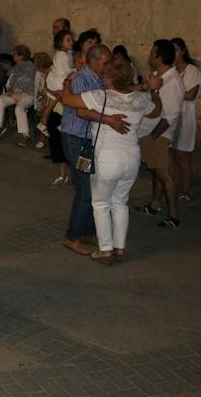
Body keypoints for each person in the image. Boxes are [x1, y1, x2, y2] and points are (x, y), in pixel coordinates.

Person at [59, 58, 162, 264]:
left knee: (100, 203)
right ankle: (119, 248)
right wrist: (154, 90)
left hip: (107, 159)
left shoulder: (101, 97)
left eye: (105, 75)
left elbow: (68, 100)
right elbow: (157, 110)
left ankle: (105, 250)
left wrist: (67, 83)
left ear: (109, 78)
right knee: (120, 203)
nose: (102, 78)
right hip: (131, 159)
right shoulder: (140, 99)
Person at [60, 45, 131, 256]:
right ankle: (73, 237)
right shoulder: (82, 79)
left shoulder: (98, 79)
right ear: (94, 60)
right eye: (106, 61)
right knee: (85, 188)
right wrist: (108, 119)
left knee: (92, 186)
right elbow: (82, 112)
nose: (108, 66)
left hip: (88, 141)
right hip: (78, 140)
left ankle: (87, 230)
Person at [133, 39, 186, 228]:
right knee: (156, 171)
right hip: (150, 132)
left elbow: (169, 116)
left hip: (158, 135)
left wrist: (153, 137)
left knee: (165, 174)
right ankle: (155, 204)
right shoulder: (158, 75)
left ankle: (174, 216)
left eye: (152, 51)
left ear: (159, 56)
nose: (149, 55)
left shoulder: (172, 82)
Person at [171, 37, 201, 202]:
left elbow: (190, 95)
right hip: (171, 117)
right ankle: (172, 187)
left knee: (182, 155)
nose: (174, 54)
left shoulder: (191, 71)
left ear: (183, 51)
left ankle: (186, 189)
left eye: (176, 50)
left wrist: (171, 92)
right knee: (171, 155)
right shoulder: (170, 70)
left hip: (185, 118)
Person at [36, 29, 75, 140]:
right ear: (60, 43)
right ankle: (62, 125)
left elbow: (56, 67)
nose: (71, 42)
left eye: (71, 40)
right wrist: (76, 71)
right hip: (60, 83)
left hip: (53, 81)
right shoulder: (64, 56)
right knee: (68, 106)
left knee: (49, 107)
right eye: (68, 40)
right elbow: (67, 71)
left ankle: (42, 125)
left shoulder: (58, 53)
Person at [0, 45, 35, 145]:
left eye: (15, 54)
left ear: (21, 56)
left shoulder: (30, 66)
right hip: (15, 94)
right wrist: (10, 89)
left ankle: (25, 135)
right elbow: (11, 80)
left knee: (19, 108)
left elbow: (28, 82)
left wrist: (17, 91)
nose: (13, 56)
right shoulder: (16, 67)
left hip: (28, 94)